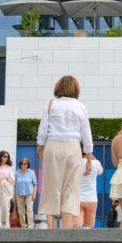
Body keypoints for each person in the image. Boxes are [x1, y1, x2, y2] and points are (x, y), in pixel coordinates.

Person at [37, 75, 93, 229]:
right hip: (73, 146)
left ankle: (50, 228)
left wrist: (40, 147)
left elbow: (43, 130)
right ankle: (66, 229)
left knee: (51, 185)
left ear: (58, 87)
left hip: (53, 145)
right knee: (71, 187)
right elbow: (86, 133)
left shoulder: (51, 105)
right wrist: (88, 157)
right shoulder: (80, 106)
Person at [77, 153, 105, 228]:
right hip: (92, 200)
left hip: (77, 200)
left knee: (77, 228)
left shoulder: (75, 162)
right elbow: (101, 171)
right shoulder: (96, 163)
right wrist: (92, 156)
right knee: (89, 229)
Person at [14, 157, 37, 228]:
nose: (23, 165)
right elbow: (14, 185)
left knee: (29, 210)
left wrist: (34, 194)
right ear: (20, 165)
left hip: (29, 194)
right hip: (19, 194)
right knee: (21, 211)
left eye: (25, 164)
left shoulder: (31, 172)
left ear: (27, 165)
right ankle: (23, 225)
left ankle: (30, 224)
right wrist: (14, 195)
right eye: (22, 164)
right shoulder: (17, 173)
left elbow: (35, 184)